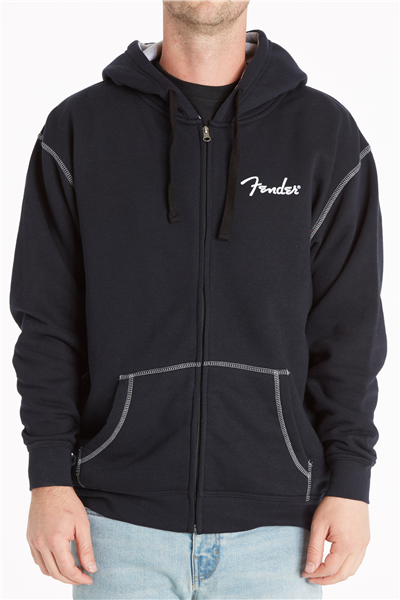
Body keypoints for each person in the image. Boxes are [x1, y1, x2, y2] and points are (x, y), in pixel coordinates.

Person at [9, 1, 387, 598]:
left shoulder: (325, 134)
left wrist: (351, 482)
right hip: (115, 530)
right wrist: (48, 479)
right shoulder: (79, 129)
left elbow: (349, 329)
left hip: (280, 537)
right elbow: (48, 324)